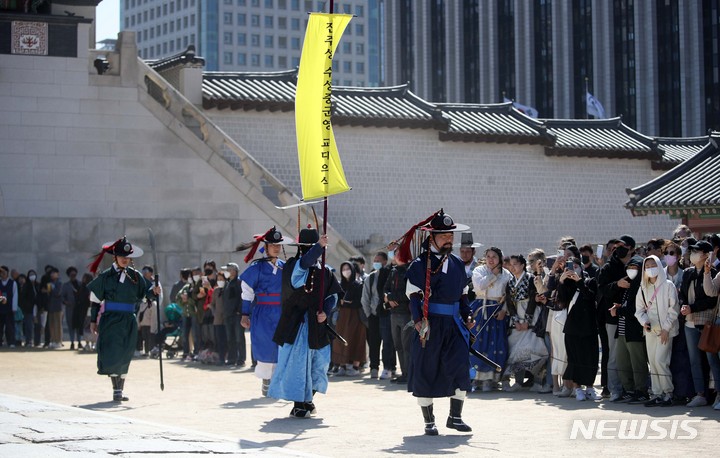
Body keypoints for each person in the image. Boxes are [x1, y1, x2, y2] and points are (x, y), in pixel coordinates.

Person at [399, 209, 474, 436]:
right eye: (443, 236)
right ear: (432, 238)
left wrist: (467, 316)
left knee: (461, 367)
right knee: (426, 370)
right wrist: (419, 321)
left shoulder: (458, 264)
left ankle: (455, 417)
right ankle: (429, 421)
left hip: (453, 325)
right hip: (429, 325)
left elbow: (462, 297)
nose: (449, 239)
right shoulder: (420, 265)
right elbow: (414, 297)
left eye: (451, 236)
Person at [269, 228, 343, 418]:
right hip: (297, 324)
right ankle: (299, 403)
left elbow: (333, 295)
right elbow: (304, 264)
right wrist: (318, 247)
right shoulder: (294, 265)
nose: (313, 252)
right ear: (302, 248)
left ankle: (308, 399)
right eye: (309, 248)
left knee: (320, 364)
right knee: (297, 365)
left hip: (317, 324)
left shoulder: (325, 270)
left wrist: (325, 312)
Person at [87, 236, 160, 402]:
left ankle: (120, 388)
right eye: (122, 257)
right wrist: (93, 321)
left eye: (127, 257)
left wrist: (154, 291)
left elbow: (146, 293)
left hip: (128, 319)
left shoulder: (135, 276)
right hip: (111, 320)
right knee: (113, 352)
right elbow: (95, 300)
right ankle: (116, 388)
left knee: (126, 353)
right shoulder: (105, 277)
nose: (125, 260)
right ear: (115, 257)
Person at [238, 226, 288, 395]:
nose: (277, 248)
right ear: (265, 247)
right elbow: (247, 291)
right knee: (266, 346)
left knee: (282, 347)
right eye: (273, 245)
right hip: (264, 313)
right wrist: (245, 313)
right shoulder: (257, 268)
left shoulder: (285, 267)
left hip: (282, 312)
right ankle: (267, 380)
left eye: (279, 245)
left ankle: (279, 381)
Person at [635, 255, 679, 407]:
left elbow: (673, 309)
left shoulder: (668, 285)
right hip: (650, 331)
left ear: (660, 266)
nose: (650, 268)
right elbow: (639, 310)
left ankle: (668, 393)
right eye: (647, 266)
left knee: (661, 361)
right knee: (653, 362)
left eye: (653, 264)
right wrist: (644, 322)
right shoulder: (643, 288)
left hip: (665, 331)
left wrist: (666, 328)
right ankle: (657, 393)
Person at [679, 240, 719, 407]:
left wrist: (692, 308)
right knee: (694, 360)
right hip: (689, 322)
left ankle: (716, 394)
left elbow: (711, 299)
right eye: (692, 251)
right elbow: (682, 293)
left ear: (706, 254)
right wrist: (684, 306)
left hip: (708, 322)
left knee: (712, 359)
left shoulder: (714, 272)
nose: (693, 254)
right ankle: (699, 393)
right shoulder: (688, 273)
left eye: (697, 251)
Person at [557, 257, 601, 401]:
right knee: (574, 358)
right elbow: (561, 301)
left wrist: (579, 281)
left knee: (591, 358)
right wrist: (562, 281)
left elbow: (591, 296)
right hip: (572, 327)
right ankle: (577, 388)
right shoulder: (568, 285)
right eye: (571, 266)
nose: (573, 269)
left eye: (576, 266)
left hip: (589, 326)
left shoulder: (590, 281)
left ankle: (590, 387)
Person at [471, 247, 512, 391]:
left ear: (500, 258)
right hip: (481, 309)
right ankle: (477, 378)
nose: (491, 259)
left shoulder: (507, 274)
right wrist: (493, 275)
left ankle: (493, 378)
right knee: (478, 343)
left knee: (496, 344)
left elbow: (510, 295)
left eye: (494, 256)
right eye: (488, 256)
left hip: (497, 310)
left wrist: (504, 310)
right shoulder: (479, 271)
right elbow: (480, 286)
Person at [504, 254, 547, 392]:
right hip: (516, 316)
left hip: (531, 315)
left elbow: (534, 301)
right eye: (510, 265)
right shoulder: (510, 281)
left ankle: (538, 381)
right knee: (516, 351)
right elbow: (509, 303)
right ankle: (518, 381)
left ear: (522, 265)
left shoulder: (530, 279)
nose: (512, 267)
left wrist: (527, 321)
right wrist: (516, 320)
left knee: (535, 349)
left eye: (515, 264)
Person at [597, 237, 631, 401]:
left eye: (622, 248)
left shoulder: (634, 265)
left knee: (630, 355)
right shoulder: (607, 268)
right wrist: (617, 284)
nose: (618, 251)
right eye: (614, 249)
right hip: (612, 317)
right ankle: (615, 389)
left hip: (632, 317)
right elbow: (602, 290)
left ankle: (630, 388)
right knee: (614, 355)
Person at [361, 251, 392, 379]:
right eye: (375, 260)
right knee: (374, 343)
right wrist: (369, 314)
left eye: (379, 260)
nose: (376, 262)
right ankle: (374, 367)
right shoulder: (371, 277)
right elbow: (365, 297)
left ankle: (388, 368)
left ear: (385, 262)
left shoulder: (389, 274)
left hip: (386, 314)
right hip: (373, 314)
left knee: (387, 342)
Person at [332, 261, 367, 376]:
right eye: (343, 269)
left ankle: (355, 366)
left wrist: (346, 302)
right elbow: (336, 300)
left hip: (355, 316)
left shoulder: (358, 284)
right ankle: (342, 365)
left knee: (356, 339)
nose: (345, 271)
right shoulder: (340, 285)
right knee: (340, 340)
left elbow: (359, 302)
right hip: (342, 317)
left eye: (348, 269)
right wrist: (342, 302)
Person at [384, 252, 412, 384]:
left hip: (406, 313)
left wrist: (391, 297)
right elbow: (385, 288)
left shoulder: (410, 271)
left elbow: (409, 293)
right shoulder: (393, 271)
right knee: (398, 345)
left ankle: (409, 373)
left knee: (406, 345)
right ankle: (404, 373)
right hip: (394, 313)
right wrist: (388, 297)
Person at [222, 262, 246, 367]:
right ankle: (232, 358)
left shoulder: (239, 282)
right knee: (230, 338)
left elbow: (243, 297)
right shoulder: (227, 283)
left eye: (229, 270)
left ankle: (241, 359)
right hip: (228, 315)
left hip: (237, 315)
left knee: (239, 338)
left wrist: (239, 311)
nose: (227, 272)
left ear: (234, 271)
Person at [61, 267, 82, 350]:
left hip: (79, 308)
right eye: (71, 274)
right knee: (71, 326)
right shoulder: (66, 285)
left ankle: (80, 342)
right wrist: (66, 302)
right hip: (70, 309)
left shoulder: (80, 284)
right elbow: (62, 297)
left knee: (79, 326)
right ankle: (72, 342)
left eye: (74, 274)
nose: (73, 275)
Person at [19, 269, 39, 348]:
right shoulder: (26, 286)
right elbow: (23, 298)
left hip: (38, 308)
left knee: (38, 325)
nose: (32, 276)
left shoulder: (38, 285)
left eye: (33, 274)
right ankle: (29, 340)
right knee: (28, 325)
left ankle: (37, 341)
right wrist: (27, 305)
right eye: (30, 275)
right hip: (29, 309)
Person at [0, 265, 18, 347]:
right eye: (1, 272)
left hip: (9, 308)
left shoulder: (12, 283)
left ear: (7, 273)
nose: (2, 274)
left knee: (10, 326)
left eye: (4, 272)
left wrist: (14, 307)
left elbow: (15, 296)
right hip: (0, 308)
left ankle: (11, 342)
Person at [46, 267, 63, 348]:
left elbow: (58, 293)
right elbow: (49, 294)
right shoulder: (50, 283)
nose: (52, 275)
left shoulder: (59, 283)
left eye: (54, 273)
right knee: (51, 324)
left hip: (57, 307)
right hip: (51, 306)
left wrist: (53, 288)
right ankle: (52, 340)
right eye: (51, 273)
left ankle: (58, 341)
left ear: (57, 274)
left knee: (57, 324)